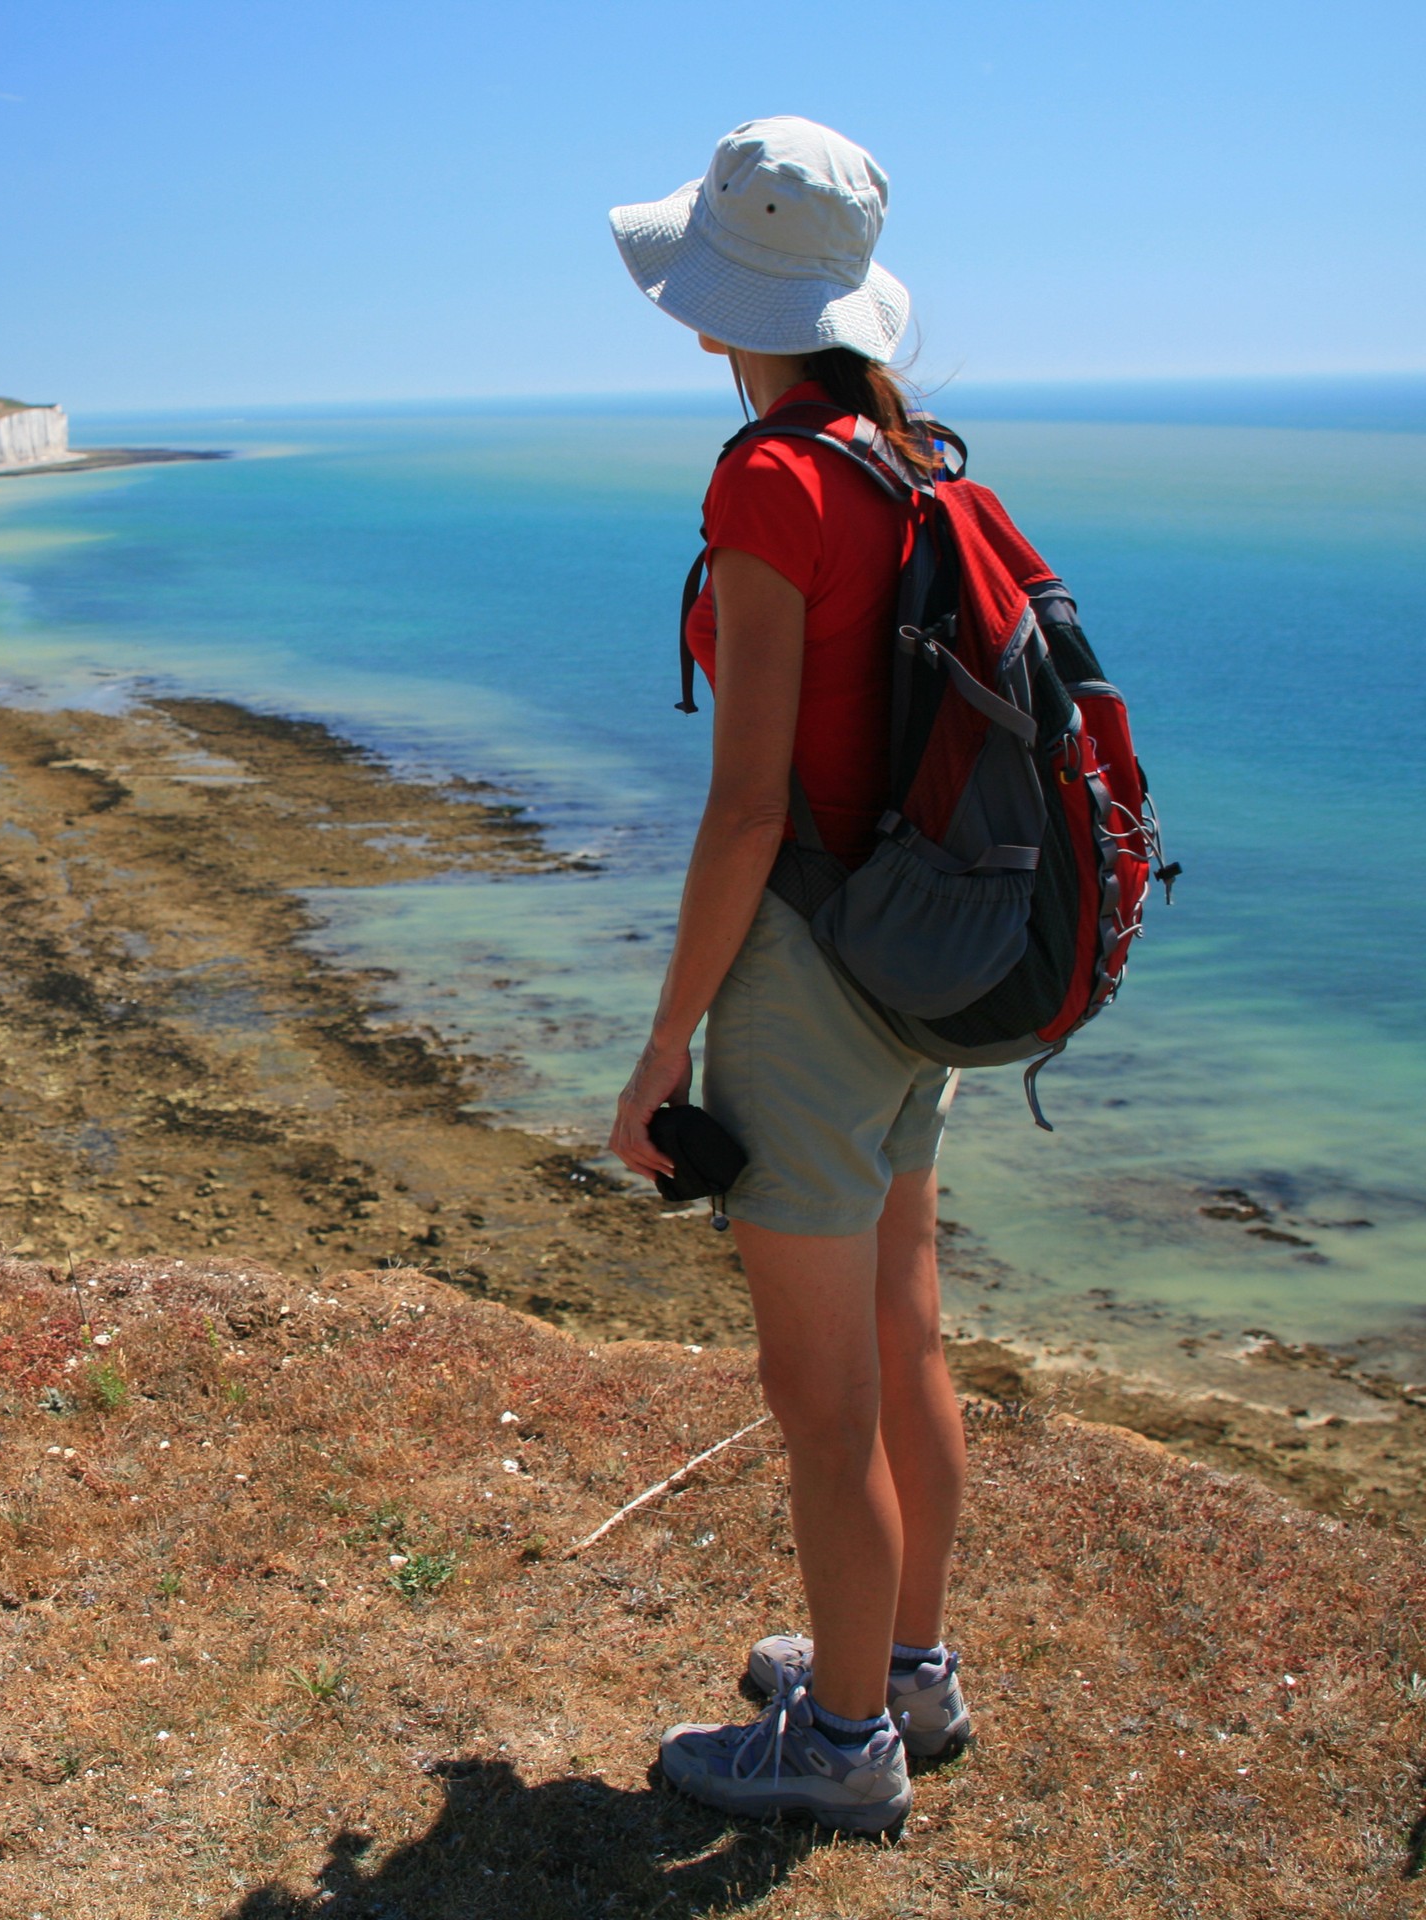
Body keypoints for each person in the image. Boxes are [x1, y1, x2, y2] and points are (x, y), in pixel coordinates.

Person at [602, 116, 975, 1836]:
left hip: (812, 984)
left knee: (816, 1397)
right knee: (902, 1331)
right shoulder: (920, 464)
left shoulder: (769, 478)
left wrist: (667, 1047)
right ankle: (902, 1668)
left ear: (717, 309)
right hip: (923, 970)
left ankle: (838, 1750)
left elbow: (749, 801)